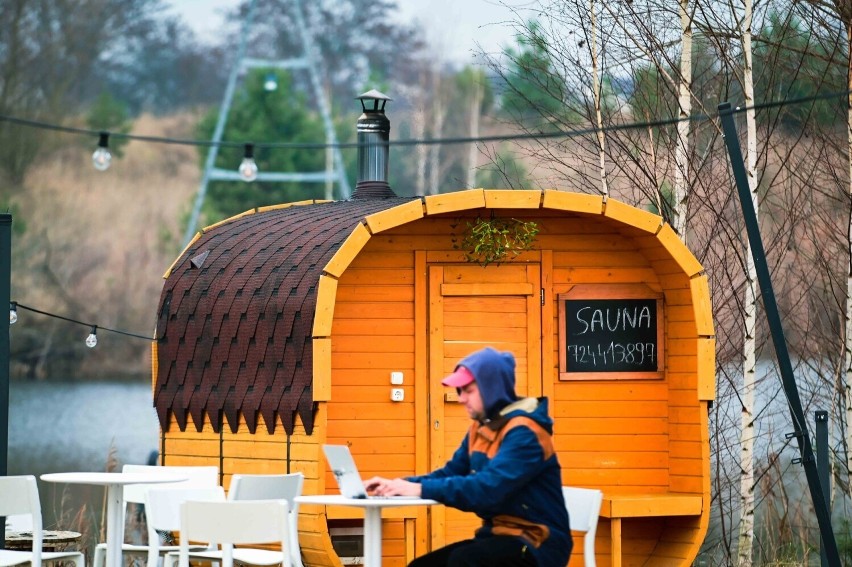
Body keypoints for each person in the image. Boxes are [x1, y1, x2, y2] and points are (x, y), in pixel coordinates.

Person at [364, 346, 572, 566]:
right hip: (499, 536)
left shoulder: (525, 433)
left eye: (468, 390)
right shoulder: (479, 429)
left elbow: (488, 488)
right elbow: (450, 473)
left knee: (462, 562)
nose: (462, 398)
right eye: (459, 391)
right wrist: (398, 485)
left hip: (537, 542)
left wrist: (419, 489)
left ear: (491, 388)